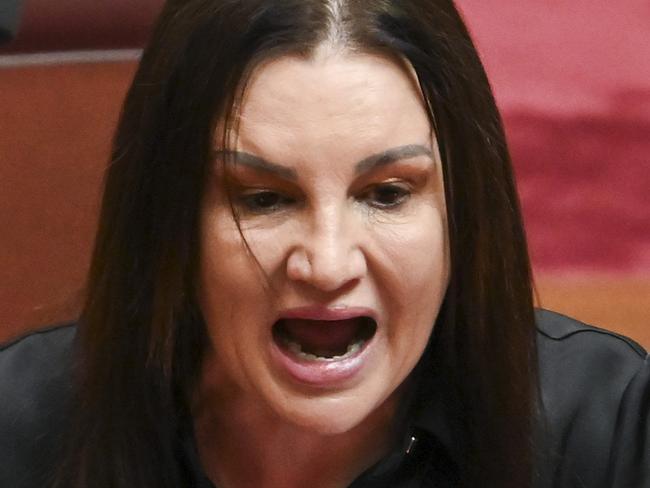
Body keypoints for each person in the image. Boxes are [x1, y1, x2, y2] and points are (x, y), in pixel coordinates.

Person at [0, 1, 648, 487]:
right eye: (263, 198)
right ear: (170, 220)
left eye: (388, 193)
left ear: (464, 214)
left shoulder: (610, 430)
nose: (327, 263)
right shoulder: (20, 429)